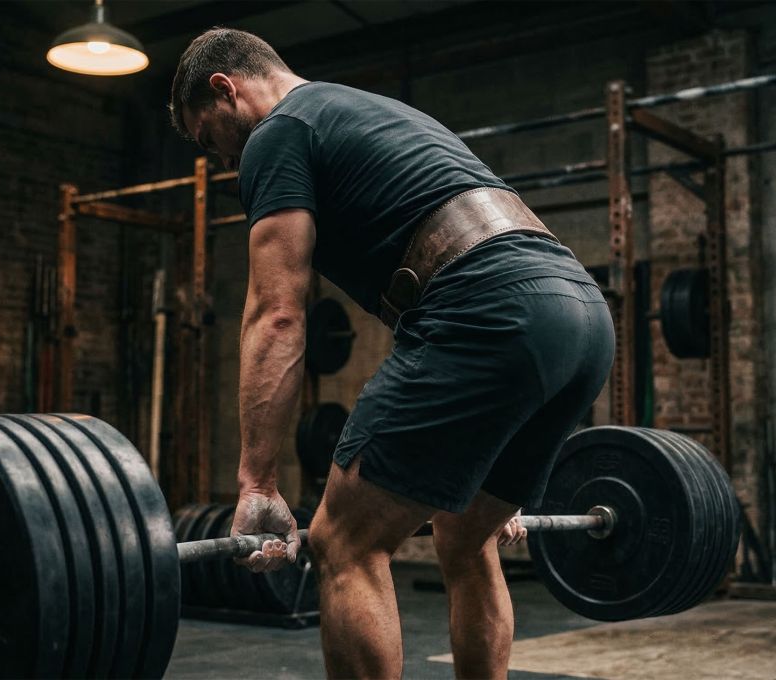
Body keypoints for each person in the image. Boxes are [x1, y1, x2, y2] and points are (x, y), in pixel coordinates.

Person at [170, 27, 615, 680]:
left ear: (224, 88)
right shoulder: (363, 108)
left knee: (342, 542)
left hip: (485, 313)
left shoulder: (278, 133)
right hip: (578, 312)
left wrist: (258, 481)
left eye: (209, 138)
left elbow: (278, 314)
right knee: (468, 538)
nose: (225, 159)